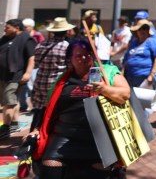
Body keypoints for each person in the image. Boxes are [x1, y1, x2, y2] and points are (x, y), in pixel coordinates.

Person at [31, 39, 131, 178]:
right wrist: (36, 129)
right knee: (49, 167)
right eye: (78, 55)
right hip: (64, 135)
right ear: (70, 59)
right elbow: (48, 109)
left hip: (99, 138)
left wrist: (105, 89)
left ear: (93, 55)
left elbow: (125, 94)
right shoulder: (63, 80)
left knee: (99, 171)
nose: (83, 58)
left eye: (87, 54)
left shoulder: (107, 73)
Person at [30, 18, 73, 132]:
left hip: (40, 82)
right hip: (55, 85)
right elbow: (70, 67)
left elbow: (37, 63)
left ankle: (32, 137)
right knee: (52, 112)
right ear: (66, 32)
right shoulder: (67, 47)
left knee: (38, 111)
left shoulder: (41, 44)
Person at [0, 19, 36, 139]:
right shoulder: (5, 38)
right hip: (3, 75)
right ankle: (14, 124)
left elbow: (32, 57)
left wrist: (28, 73)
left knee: (8, 102)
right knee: (11, 100)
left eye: (8, 27)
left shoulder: (27, 39)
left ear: (17, 27)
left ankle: (6, 127)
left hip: (15, 75)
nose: (5, 29)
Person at [122, 19, 156, 88]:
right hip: (130, 77)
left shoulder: (151, 41)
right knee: (132, 98)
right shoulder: (133, 43)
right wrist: (122, 74)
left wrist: (151, 76)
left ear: (148, 31)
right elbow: (126, 60)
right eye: (140, 29)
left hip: (145, 77)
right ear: (137, 31)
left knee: (143, 98)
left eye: (145, 28)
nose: (142, 31)